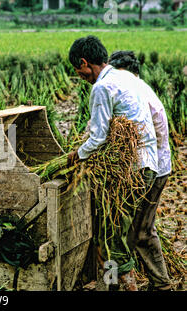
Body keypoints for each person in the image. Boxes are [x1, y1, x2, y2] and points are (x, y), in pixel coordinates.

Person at [67, 36, 159, 291]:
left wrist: (78, 153)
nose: (81, 77)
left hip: (130, 170)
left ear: (85, 62)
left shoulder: (102, 87)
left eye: (79, 72)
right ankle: (109, 284)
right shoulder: (125, 77)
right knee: (115, 230)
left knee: (110, 234)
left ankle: (128, 286)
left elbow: (98, 136)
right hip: (149, 166)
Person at [108, 50, 172, 290]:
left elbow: (139, 136)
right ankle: (157, 283)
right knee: (141, 230)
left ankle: (159, 284)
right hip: (156, 165)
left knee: (137, 233)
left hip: (151, 168)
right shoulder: (139, 88)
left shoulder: (133, 92)